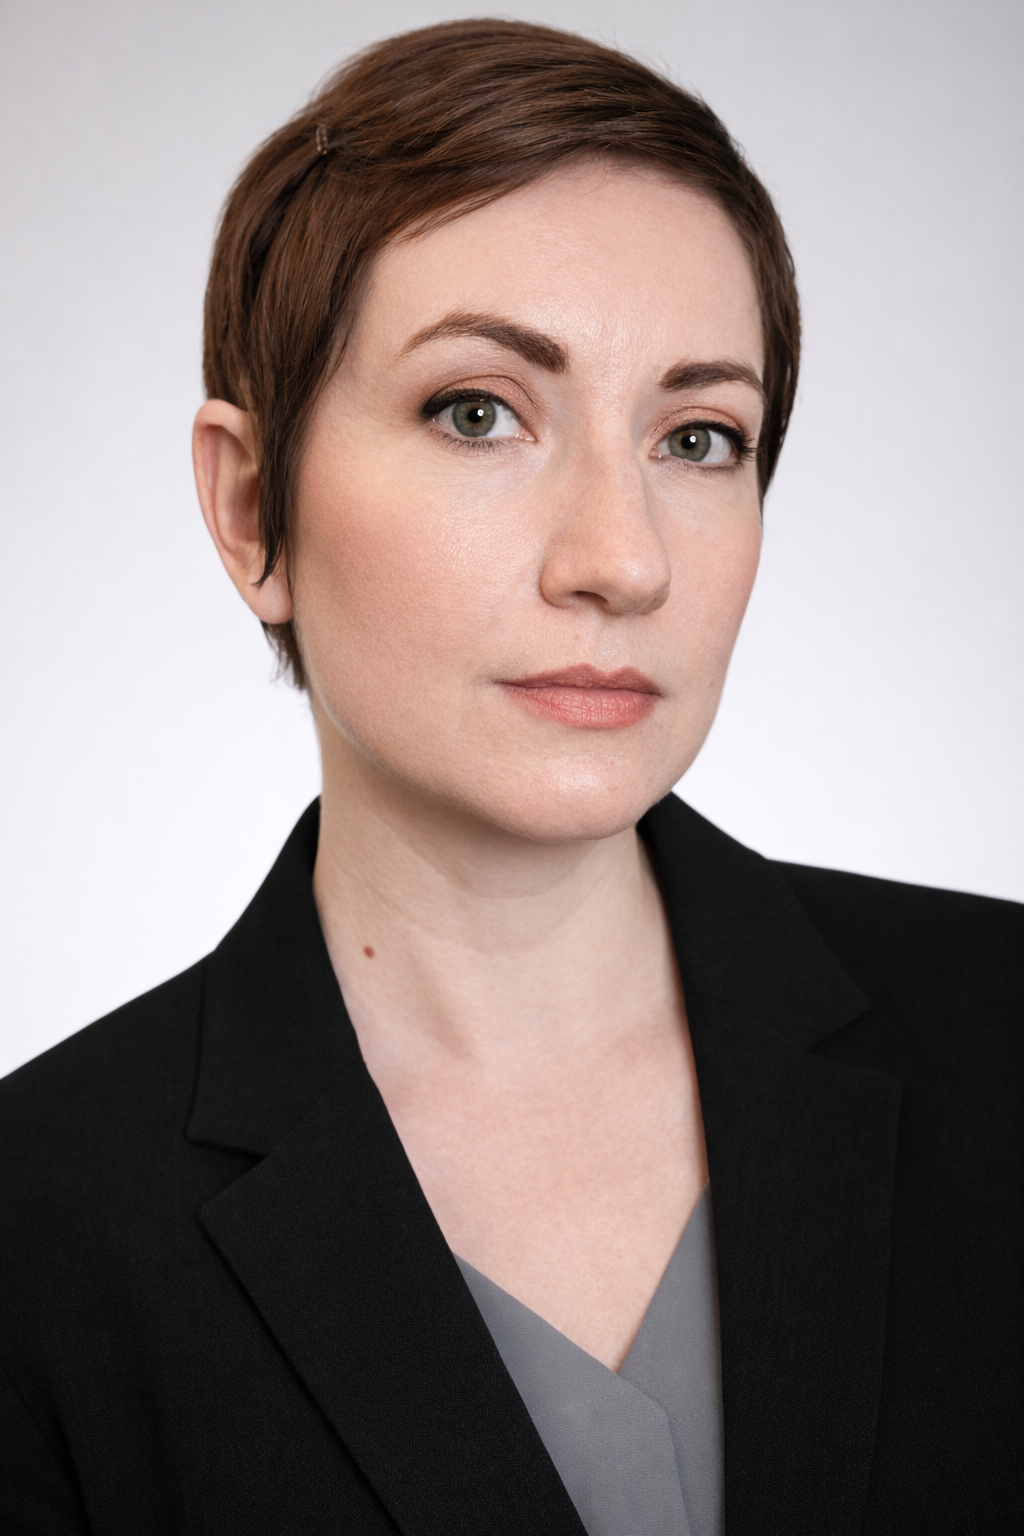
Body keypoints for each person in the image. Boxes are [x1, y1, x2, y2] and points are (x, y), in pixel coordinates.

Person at [0, 18, 1019, 1535]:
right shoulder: (38, 1233)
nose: (620, 559)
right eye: (478, 412)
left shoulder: (1006, 1030)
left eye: (698, 434)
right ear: (248, 505)